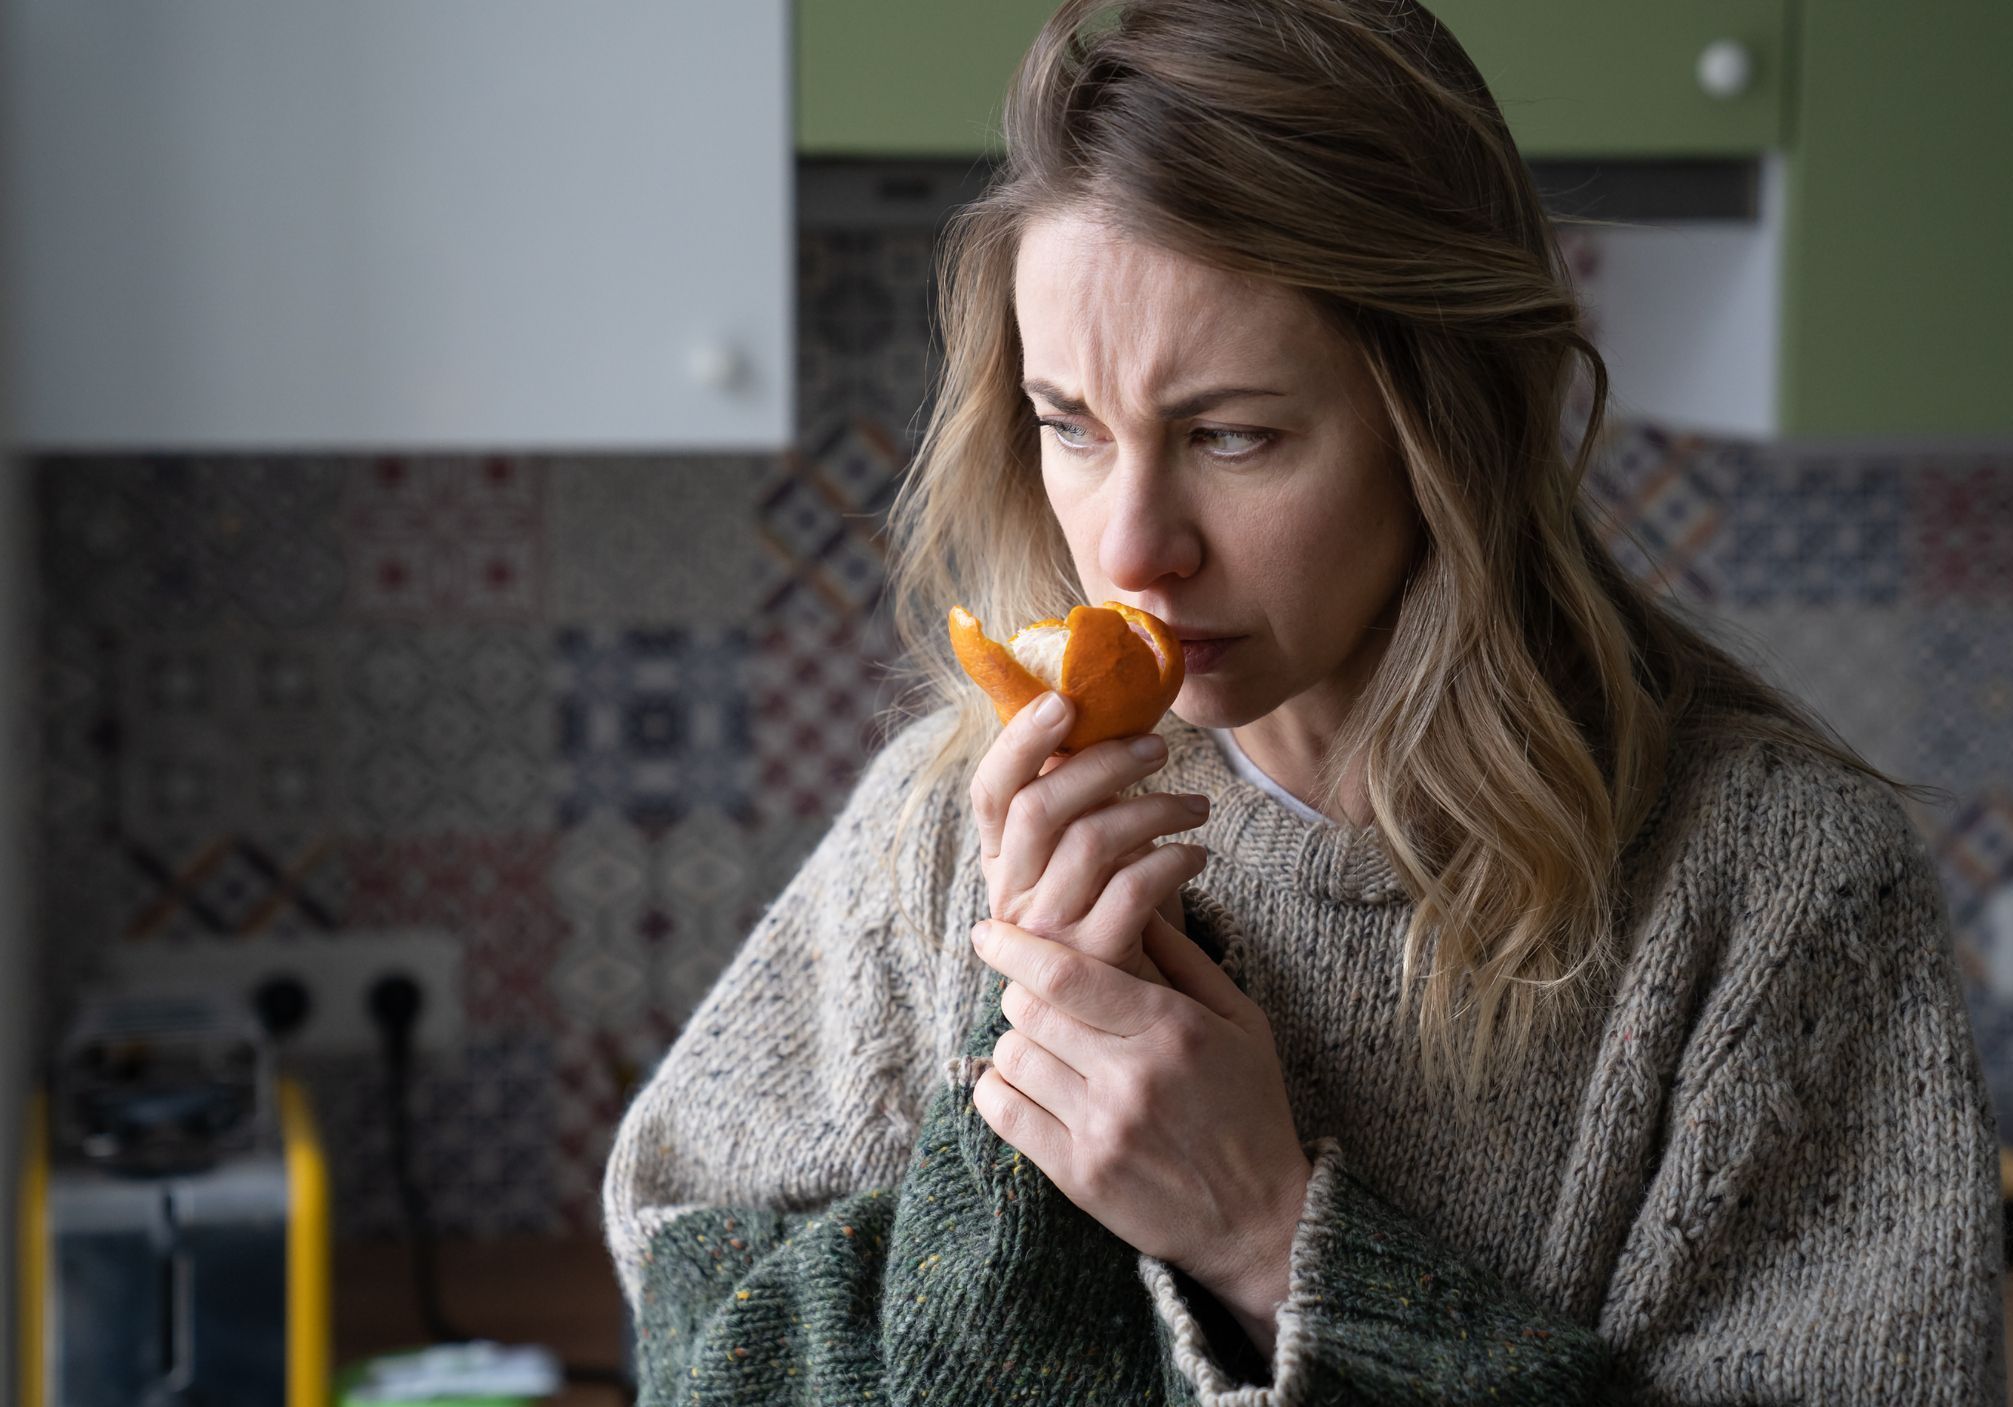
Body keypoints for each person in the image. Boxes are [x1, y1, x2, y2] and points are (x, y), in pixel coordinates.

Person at [602, 0, 2007, 1401]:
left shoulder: (1776, 889)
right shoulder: (945, 823)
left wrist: (1268, 1242)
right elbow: (700, 1341)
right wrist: (1010, 1117)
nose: (1132, 548)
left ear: (1449, 423)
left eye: (1232, 435)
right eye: (1069, 426)